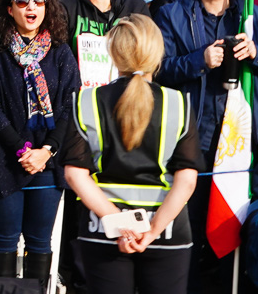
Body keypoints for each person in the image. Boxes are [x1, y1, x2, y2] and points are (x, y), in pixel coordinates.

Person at [153, 0, 258, 294]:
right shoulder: (170, 15)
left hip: (242, 135)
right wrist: (199, 60)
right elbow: (158, 69)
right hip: (192, 134)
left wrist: (257, 53)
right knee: (195, 228)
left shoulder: (255, 16)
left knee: (235, 226)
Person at [63, 15, 201, 294]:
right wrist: (151, 231)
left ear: (114, 53)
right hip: (167, 231)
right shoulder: (179, 103)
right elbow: (186, 181)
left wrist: (119, 222)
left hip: (102, 229)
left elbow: (75, 175)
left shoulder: (86, 100)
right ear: (157, 53)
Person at [0, 0, 80, 283]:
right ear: (10, 9)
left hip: (47, 165)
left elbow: (68, 106)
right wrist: (23, 150)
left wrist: (46, 151)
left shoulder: (61, 52)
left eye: (38, 0)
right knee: (4, 242)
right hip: (6, 160)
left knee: (39, 244)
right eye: (22, 1)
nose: (30, 7)